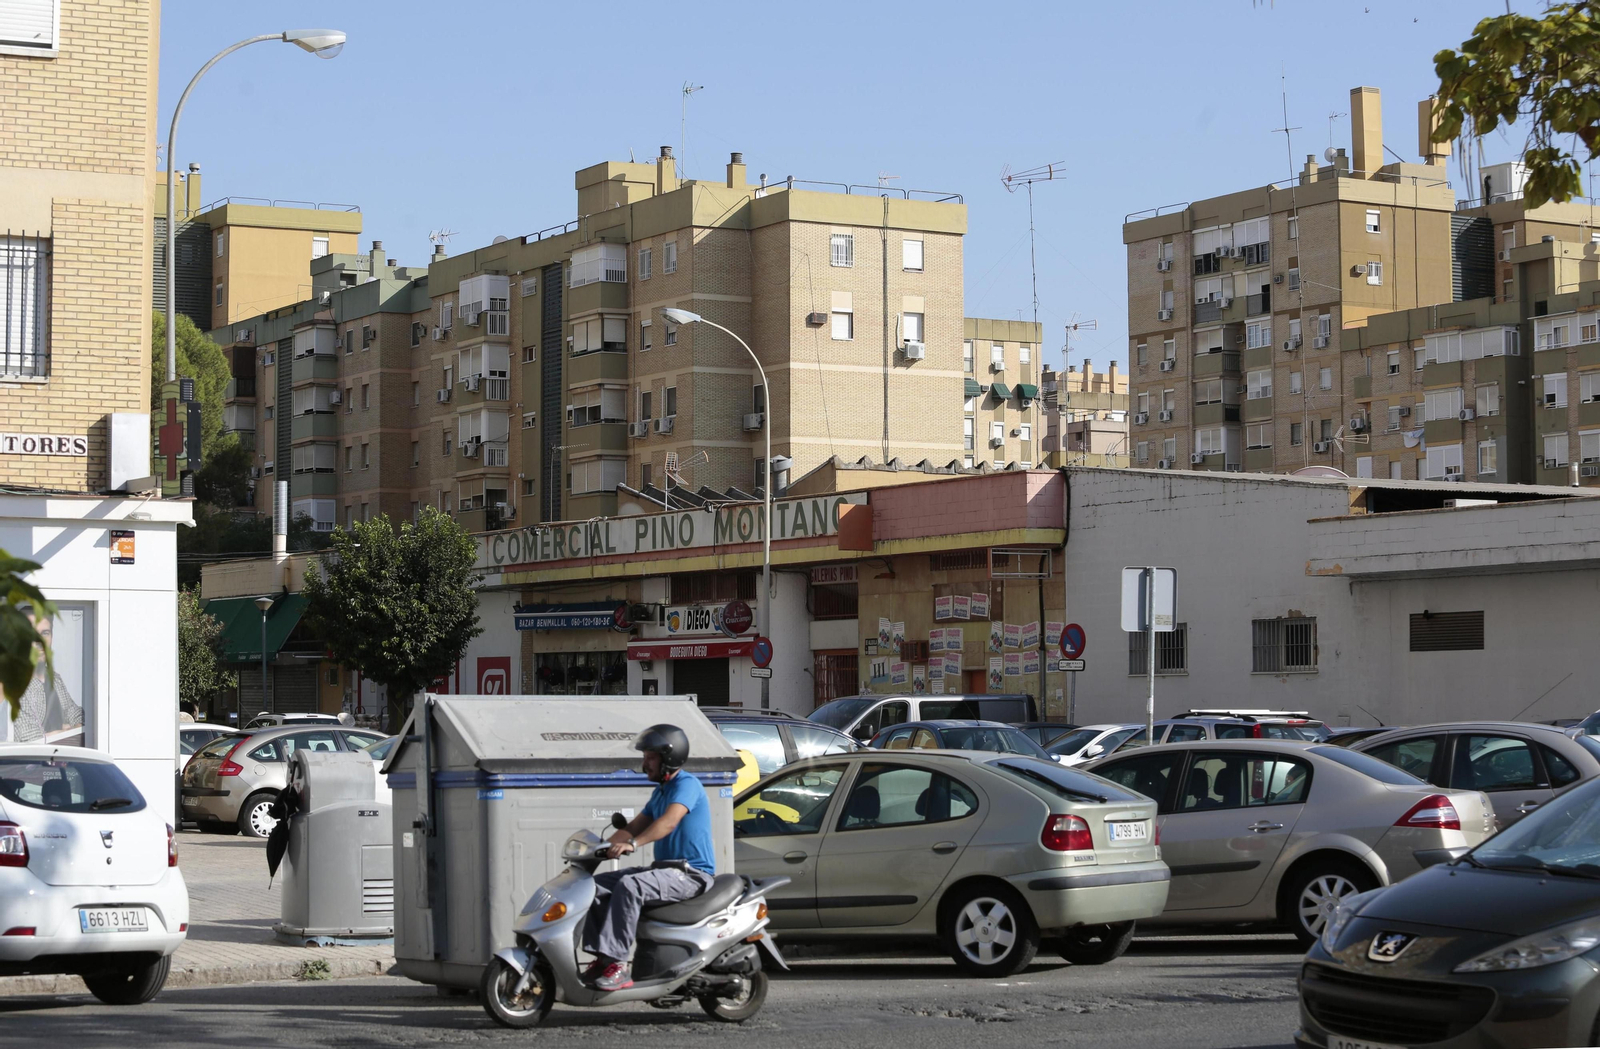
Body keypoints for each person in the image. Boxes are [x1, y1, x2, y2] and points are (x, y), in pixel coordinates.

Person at [581, 723, 715, 991]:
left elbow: (668, 823)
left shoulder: (687, 785)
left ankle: (619, 965)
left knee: (630, 886)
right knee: (594, 886)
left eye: (650, 758)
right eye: (645, 757)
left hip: (691, 873)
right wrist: (594, 851)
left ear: (669, 758)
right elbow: (632, 827)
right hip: (664, 870)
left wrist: (633, 844)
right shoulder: (660, 792)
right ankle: (603, 959)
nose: (645, 764)